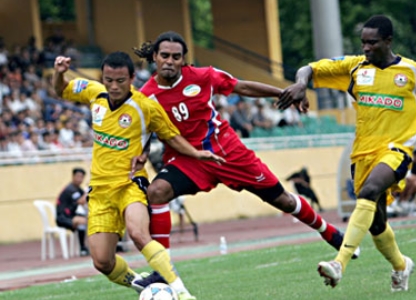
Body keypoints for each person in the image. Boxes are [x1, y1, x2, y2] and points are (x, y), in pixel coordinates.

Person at [277, 15, 416, 292]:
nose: (366, 48)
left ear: (388, 41)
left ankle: (339, 263)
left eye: (372, 43)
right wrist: (300, 84)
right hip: (362, 155)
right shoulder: (354, 68)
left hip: (397, 150)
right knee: (376, 222)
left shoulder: (413, 71)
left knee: (369, 192)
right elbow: (308, 69)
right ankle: (400, 265)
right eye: (363, 43)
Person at [132, 31, 358, 287]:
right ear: (155, 57)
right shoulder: (145, 96)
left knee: (282, 200)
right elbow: (144, 129)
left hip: (228, 152)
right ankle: (163, 271)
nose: (170, 61)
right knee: (157, 191)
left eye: (176, 56)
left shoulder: (204, 76)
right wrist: (140, 153)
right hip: (189, 160)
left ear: (184, 59)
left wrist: (282, 93)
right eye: (165, 56)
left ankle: (328, 232)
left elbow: (242, 86)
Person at [52, 52, 224, 300]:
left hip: (130, 184)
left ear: (132, 78)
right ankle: (144, 287)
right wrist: (59, 73)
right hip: (100, 191)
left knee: (138, 233)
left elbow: (171, 136)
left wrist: (197, 154)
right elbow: (62, 90)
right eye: (108, 79)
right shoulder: (93, 92)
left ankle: (183, 293)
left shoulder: (146, 106)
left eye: (120, 80)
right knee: (102, 261)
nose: (113, 86)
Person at [55, 167, 89, 256]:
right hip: (62, 218)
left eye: (82, 177)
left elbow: (87, 201)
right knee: (84, 222)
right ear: (73, 176)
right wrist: (88, 190)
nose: (80, 179)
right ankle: (83, 248)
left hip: (71, 216)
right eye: (78, 176)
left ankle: (85, 247)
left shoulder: (78, 189)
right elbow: (82, 201)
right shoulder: (70, 189)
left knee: (89, 219)